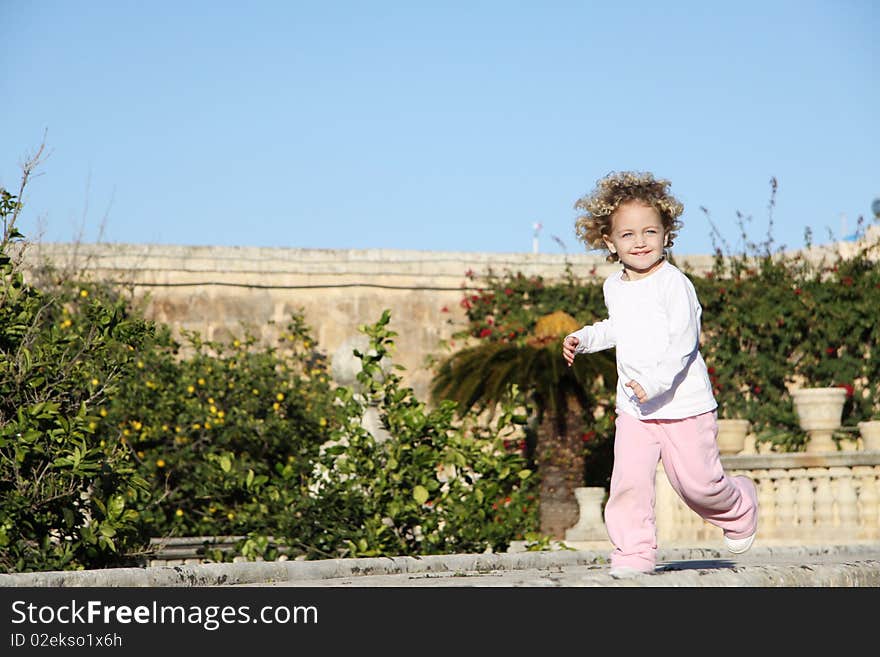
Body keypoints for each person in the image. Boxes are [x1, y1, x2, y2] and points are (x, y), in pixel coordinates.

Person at [562, 171, 758, 578]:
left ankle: (739, 505)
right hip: (634, 411)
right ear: (609, 242)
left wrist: (653, 383)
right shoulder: (614, 287)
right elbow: (620, 328)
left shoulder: (674, 285)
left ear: (667, 234)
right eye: (628, 234)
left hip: (684, 406)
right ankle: (633, 553)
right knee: (628, 483)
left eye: (650, 231)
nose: (639, 241)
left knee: (697, 487)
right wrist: (585, 338)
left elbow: (683, 343)